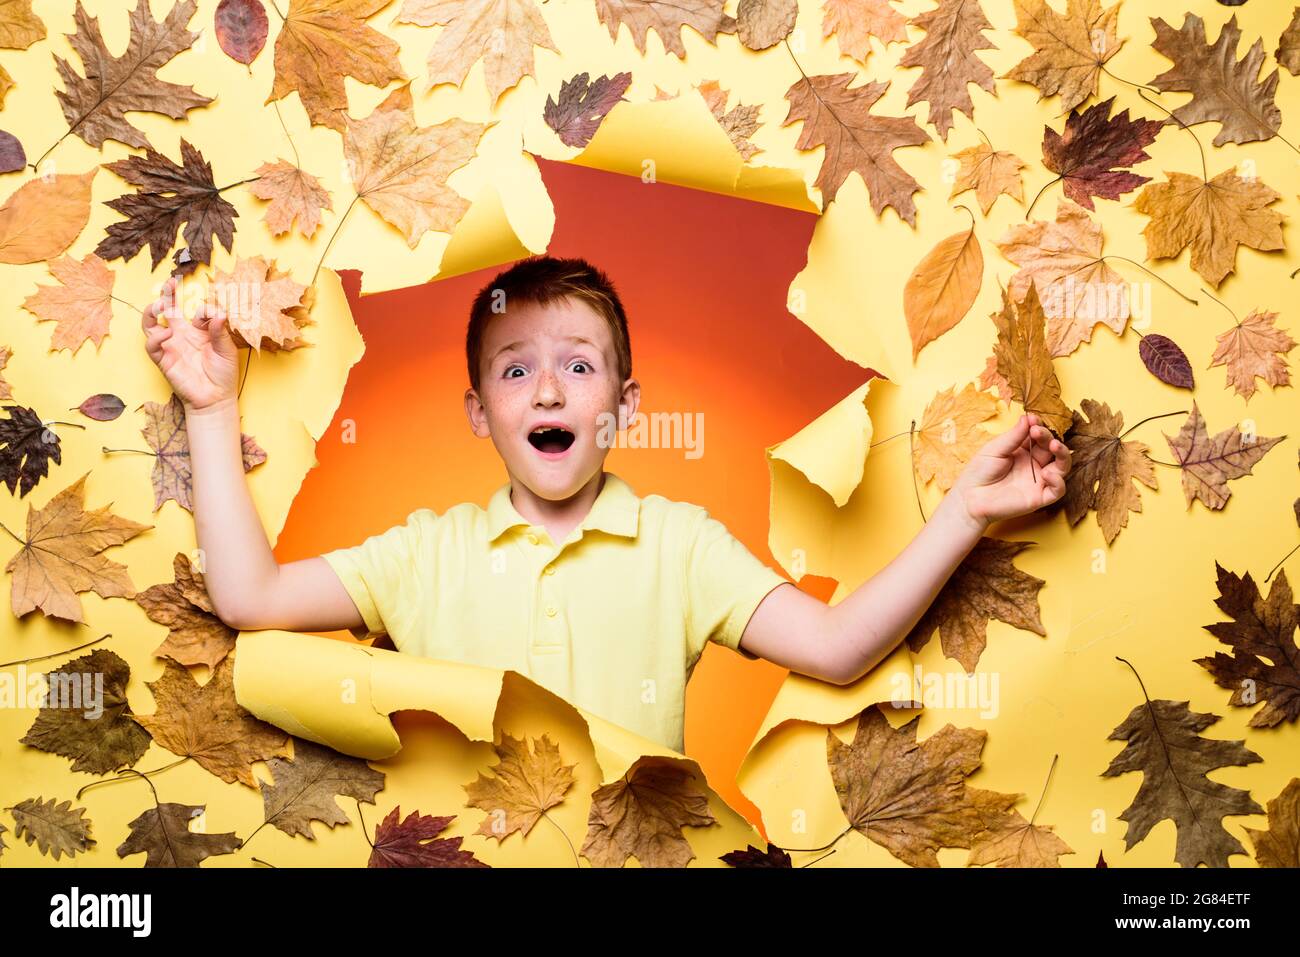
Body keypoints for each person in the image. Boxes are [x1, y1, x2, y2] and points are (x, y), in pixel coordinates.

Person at [141, 255, 1071, 753]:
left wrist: (965, 515)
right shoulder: (421, 555)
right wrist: (213, 407)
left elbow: (836, 648)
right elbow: (250, 600)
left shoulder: (680, 545)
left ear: (625, 407)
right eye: (516, 371)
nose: (547, 393)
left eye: (578, 367)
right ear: (480, 413)